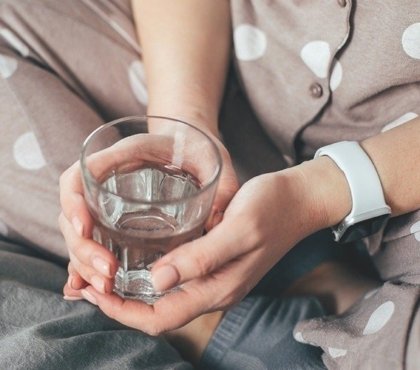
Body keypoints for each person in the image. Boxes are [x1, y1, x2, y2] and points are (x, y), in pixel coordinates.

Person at [0, 0, 419, 369]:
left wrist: (314, 194)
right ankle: (214, 311)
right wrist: (183, 130)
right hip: (234, 88)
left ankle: (226, 300)